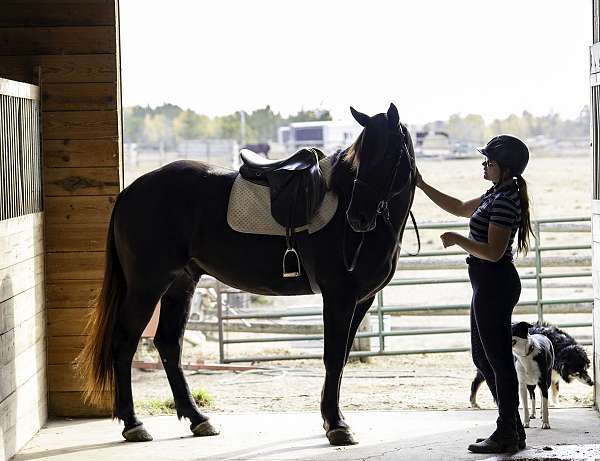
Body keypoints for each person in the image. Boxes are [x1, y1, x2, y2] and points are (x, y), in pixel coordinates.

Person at [416, 135, 533, 454]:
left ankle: (507, 430)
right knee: (485, 357)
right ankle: (511, 426)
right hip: (486, 282)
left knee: (495, 360)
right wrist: (421, 184)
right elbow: (458, 207)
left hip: (494, 281)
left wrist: (458, 239)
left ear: (505, 168)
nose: (484, 164)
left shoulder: (506, 199)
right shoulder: (494, 192)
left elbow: (494, 252)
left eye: (489, 162)